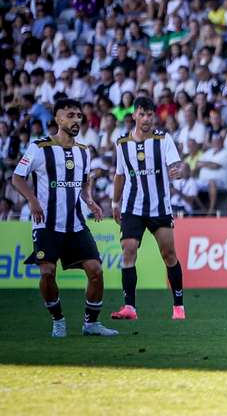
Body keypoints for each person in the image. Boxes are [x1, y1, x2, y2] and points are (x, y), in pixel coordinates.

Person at [11, 97, 118, 337]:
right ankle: (58, 320)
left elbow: (84, 182)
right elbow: (17, 178)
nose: (76, 120)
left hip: (76, 224)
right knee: (47, 273)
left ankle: (91, 324)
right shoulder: (39, 147)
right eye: (70, 115)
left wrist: (89, 200)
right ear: (57, 119)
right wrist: (32, 199)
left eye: (78, 116)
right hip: (46, 225)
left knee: (96, 271)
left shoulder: (84, 152)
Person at [110, 97, 189, 320]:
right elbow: (119, 175)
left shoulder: (163, 139)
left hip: (159, 208)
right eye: (142, 114)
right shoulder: (122, 143)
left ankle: (178, 306)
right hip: (132, 207)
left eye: (150, 115)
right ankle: (129, 307)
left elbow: (176, 167)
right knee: (128, 250)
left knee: (169, 254)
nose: (146, 119)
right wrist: (115, 203)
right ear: (134, 115)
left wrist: (177, 172)